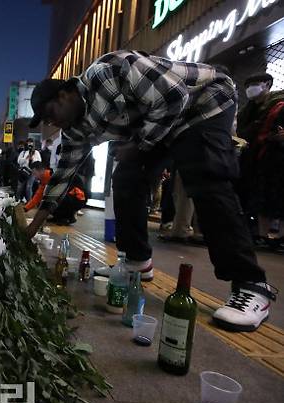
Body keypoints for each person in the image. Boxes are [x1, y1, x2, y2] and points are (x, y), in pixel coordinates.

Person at [25, 50, 277, 332]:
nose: (53, 124)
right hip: (161, 126)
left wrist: (137, 145)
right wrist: (32, 226)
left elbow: (175, 97)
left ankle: (252, 285)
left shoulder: (109, 70)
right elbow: (62, 176)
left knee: (205, 175)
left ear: (64, 95)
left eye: (50, 114)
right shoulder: (75, 130)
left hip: (203, 103)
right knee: (126, 180)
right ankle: (137, 261)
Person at [237, 73, 284, 250]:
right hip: (255, 158)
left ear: (268, 84)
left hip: (275, 157)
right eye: (248, 85)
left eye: (255, 84)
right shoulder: (246, 111)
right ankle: (259, 234)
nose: (250, 89)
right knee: (258, 196)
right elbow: (243, 132)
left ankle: (278, 237)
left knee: (276, 196)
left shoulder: (278, 105)